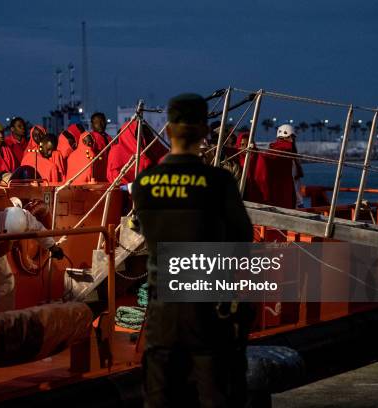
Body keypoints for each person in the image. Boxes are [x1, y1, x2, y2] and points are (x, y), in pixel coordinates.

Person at [132, 93, 253, 408]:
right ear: (203, 132)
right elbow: (242, 242)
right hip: (207, 311)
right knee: (216, 395)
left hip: (162, 314)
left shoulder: (144, 184)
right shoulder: (220, 182)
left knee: (160, 398)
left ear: (169, 131)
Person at [107, 120, 167, 185]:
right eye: (136, 133)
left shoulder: (146, 147)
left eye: (140, 133)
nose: (139, 136)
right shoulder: (116, 151)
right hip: (125, 190)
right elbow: (114, 176)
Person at [267, 124, 301, 208]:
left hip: (287, 199)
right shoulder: (283, 154)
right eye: (291, 137)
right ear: (285, 137)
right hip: (284, 200)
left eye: (293, 137)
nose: (292, 141)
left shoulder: (285, 154)